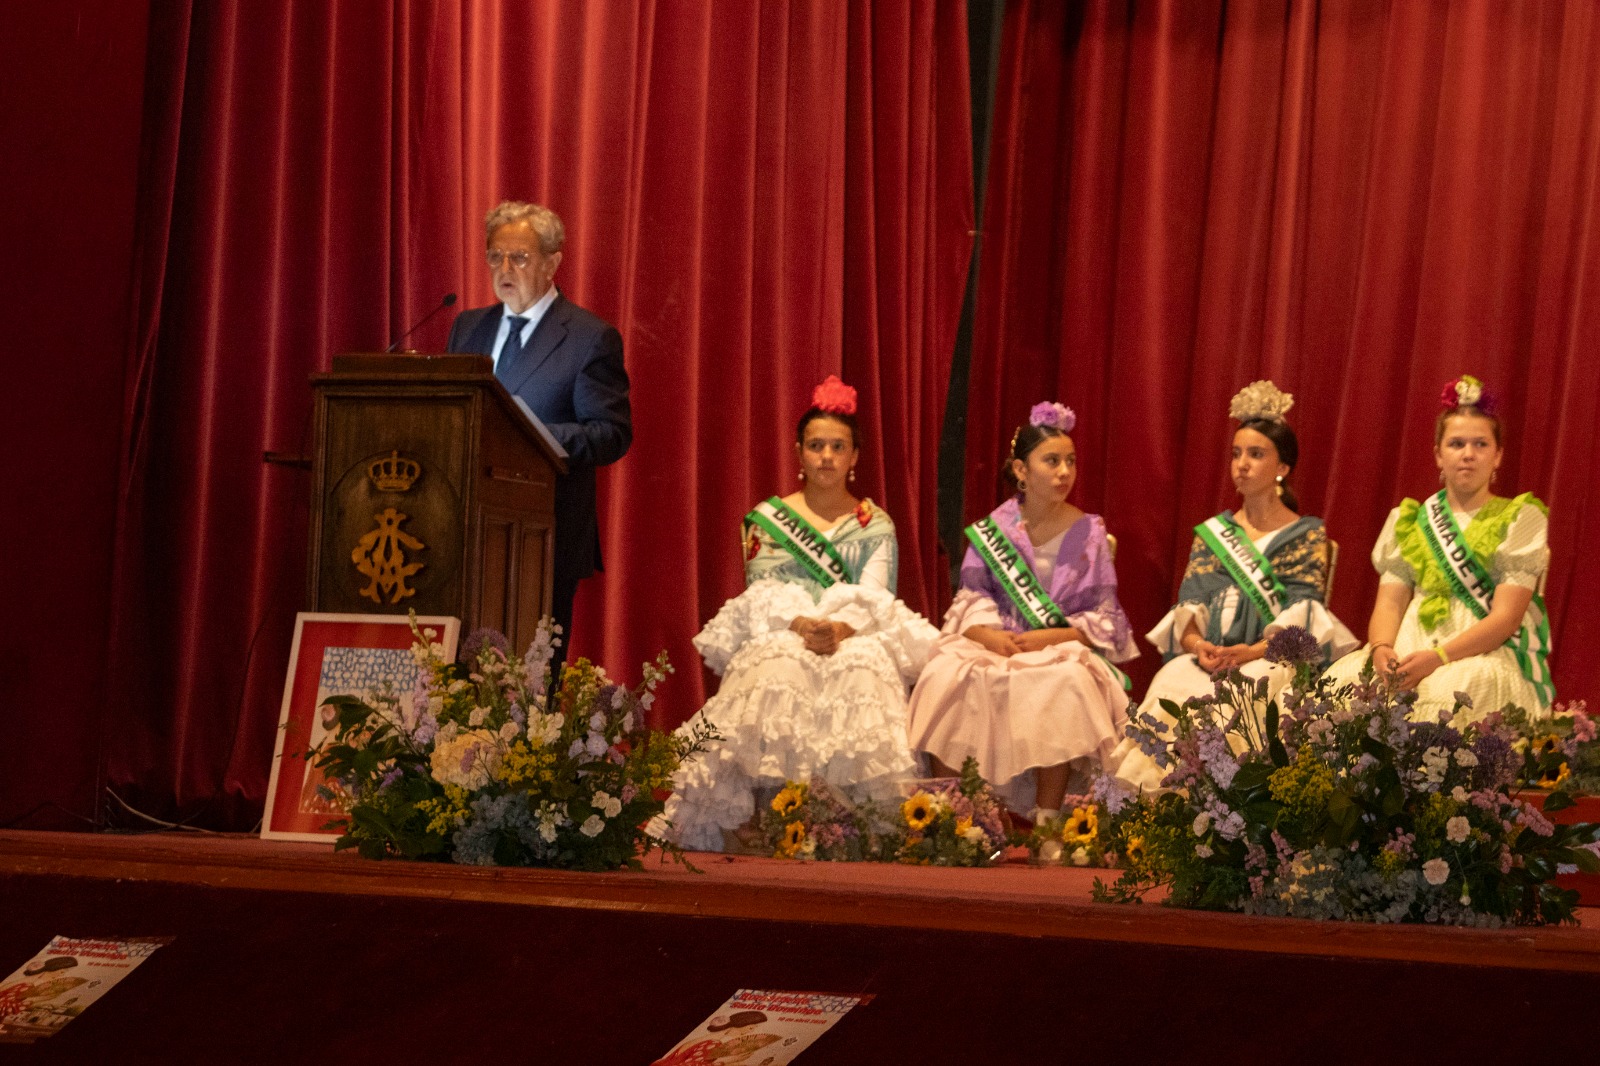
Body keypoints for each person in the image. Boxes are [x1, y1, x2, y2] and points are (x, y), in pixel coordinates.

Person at [663, 377, 937, 852]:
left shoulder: (875, 523)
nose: (826, 456)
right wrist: (803, 626)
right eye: (816, 446)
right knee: (778, 667)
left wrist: (839, 629)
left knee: (862, 671)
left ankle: (855, 827)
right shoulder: (767, 520)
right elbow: (764, 589)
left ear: (855, 457)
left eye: (838, 446)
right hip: (783, 626)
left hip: (855, 632)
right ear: (799, 453)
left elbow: (873, 596)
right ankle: (761, 814)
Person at [1112, 381, 1356, 785]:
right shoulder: (1214, 533)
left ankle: (1234, 800)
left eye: (1256, 454)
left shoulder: (1307, 534)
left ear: (1282, 468)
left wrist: (1252, 652)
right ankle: (1167, 802)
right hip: (1214, 658)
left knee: (1258, 687)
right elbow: (1189, 607)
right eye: (1237, 453)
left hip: (1269, 659)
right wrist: (1198, 646)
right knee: (1170, 679)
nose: (1242, 464)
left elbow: (1304, 619)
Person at [905, 402, 1138, 822]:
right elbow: (972, 595)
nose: (1064, 472)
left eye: (1070, 461)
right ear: (1021, 470)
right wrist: (989, 635)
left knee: (1066, 681)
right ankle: (953, 816)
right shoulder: (993, 528)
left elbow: (1106, 614)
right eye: (1052, 461)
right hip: (999, 640)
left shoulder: (1090, 532)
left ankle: (1047, 820)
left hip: (1059, 645)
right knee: (944, 675)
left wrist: (1052, 636)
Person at [447, 201, 631, 663]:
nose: (504, 269)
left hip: (542, 537)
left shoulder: (589, 337)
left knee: (529, 684)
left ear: (552, 263)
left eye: (520, 257)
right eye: (495, 256)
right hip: (465, 534)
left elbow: (610, 433)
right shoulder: (467, 327)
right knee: (455, 681)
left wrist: (528, 434)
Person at [1325, 375, 1553, 721]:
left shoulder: (1519, 519)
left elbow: (1506, 620)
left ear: (1498, 456)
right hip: (1408, 646)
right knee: (1344, 684)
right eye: (1456, 444)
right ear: (1438, 454)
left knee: (1450, 692)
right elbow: (1389, 602)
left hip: (1480, 654)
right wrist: (1381, 648)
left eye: (1480, 445)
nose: (1468, 455)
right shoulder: (1408, 521)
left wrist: (1438, 658)